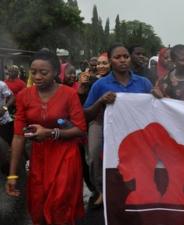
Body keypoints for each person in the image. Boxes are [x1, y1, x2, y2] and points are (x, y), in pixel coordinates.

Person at [6, 50, 86, 225]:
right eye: (33, 72)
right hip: (39, 158)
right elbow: (18, 137)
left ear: (56, 72)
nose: (37, 77)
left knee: (60, 204)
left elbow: (80, 128)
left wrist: (50, 133)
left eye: (44, 72)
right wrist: (12, 175)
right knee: (38, 204)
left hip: (65, 155)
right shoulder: (23, 96)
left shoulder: (69, 94)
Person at [84, 43, 152, 208]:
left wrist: (155, 96)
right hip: (102, 124)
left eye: (126, 57)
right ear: (110, 61)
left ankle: (136, 187)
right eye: (117, 57)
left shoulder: (143, 83)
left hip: (133, 126)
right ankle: (101, 190)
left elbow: (154, 107)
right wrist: (101, 101)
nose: (122, 60)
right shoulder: (100, 85)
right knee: (93, 155)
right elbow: (86, 113)